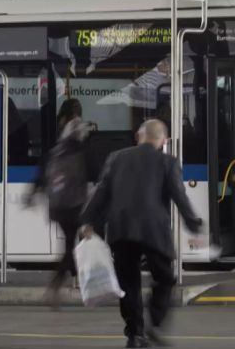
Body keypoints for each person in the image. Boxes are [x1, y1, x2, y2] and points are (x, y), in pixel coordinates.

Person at [80, 119, 202, 348]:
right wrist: (193, 224)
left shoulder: (116, 158)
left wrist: (87, 221)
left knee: (128, 283)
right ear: (163, 140)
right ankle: (153, 323)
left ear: (139, 136)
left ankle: (135, 334)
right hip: (154, 231)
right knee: (165, 277)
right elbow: (179, 196)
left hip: (121, 230)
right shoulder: (168, 162)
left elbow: (101, 192)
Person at [27, 117, 96, 308]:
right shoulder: (83, 151)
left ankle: (75, 281)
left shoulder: (54, 152)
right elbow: (95, 177)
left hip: (57, 206)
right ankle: (58, 286)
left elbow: (40, 176)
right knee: (71, 246)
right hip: (76, 206)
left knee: (70, 243)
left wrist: (32, 195)